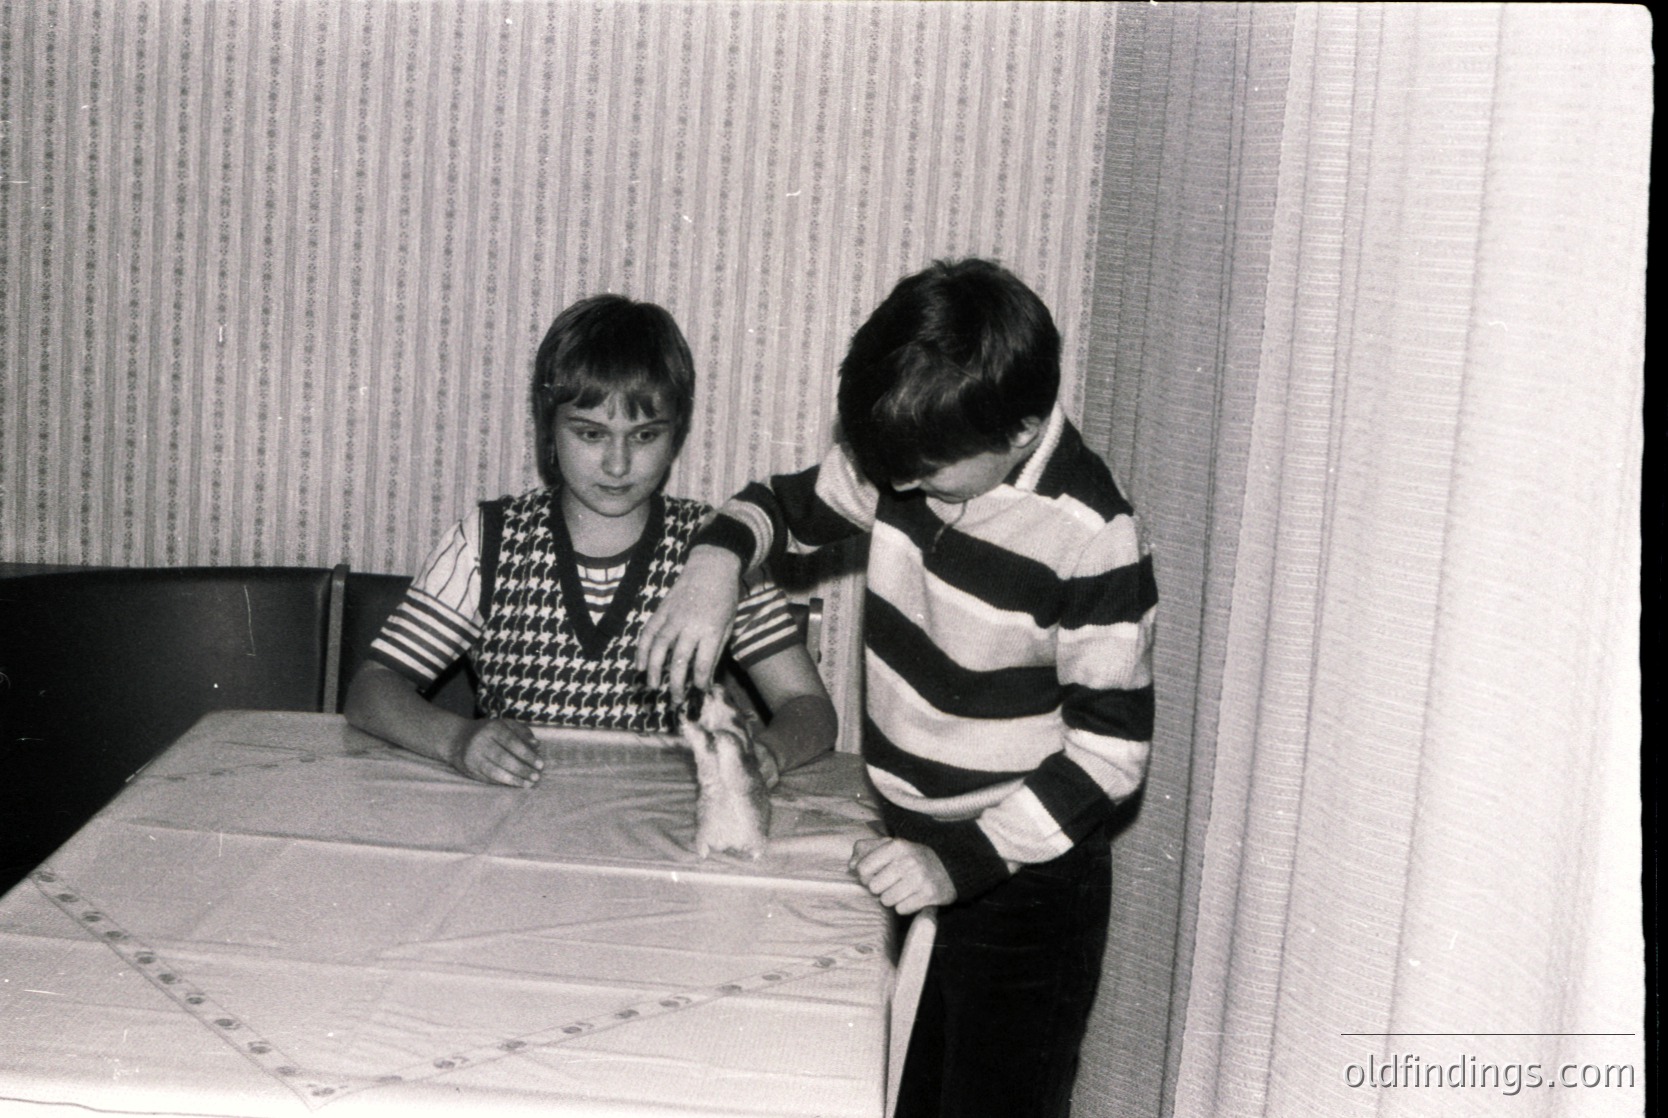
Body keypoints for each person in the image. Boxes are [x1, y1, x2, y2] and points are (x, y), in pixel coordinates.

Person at [637, 258, 1156, 1118]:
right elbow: (781, 506)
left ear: (1023, 429)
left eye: (928, 475)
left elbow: (1111, 756)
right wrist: (715, 564)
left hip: (1023, 879)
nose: (903, 490)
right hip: (915, 846)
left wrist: (959, 864)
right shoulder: (916, 450)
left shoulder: (1093, 535)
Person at [346, 294, 836, 789]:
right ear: (549, 428)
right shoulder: (487, 540)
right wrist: (458, 741)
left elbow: (807, 704)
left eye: (644, 436)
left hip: (661, 818)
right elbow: (372, 689)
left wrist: (768, 754)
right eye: (591, 434)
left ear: (676, 434)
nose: (617, 465)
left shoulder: (716, 552)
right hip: (517, 811)